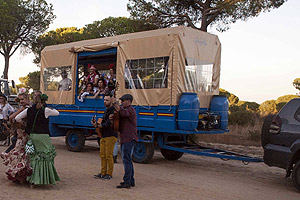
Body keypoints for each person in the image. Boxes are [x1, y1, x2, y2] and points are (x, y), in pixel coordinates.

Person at [15, 93, 60, 186]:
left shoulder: (29, 110)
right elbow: (57, 113)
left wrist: (25, 124)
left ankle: (33, 179)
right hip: (43, 136)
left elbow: (17, 118)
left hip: (32, 136)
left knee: (34, 158)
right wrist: (48, 107)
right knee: (45, 157)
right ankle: (45, 179)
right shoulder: (46, 110)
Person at [0, 93, 32, 183]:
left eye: (22, 99)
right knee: (21, 155)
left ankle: (19, 175)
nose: (21, 101)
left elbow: (12, 117)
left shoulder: (26, 109)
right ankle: (20, 176)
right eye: (20, 100)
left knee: (20, 154)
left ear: (27, 99)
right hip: (20, 134)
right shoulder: (24, 108)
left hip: (24, 135)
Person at [114, 94, 138, 189]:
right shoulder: (128, 110)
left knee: (126, 160)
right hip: (127, 138)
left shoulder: (130, 110)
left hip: (129, 138)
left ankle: (127, 181)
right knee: (128, 160)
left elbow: (123, 113)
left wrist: (116, 106)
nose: (122, 102)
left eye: (123, 101)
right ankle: (130, 180)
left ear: (128, 101)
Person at [91, 94, 118, 180]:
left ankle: (109, 173)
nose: (105, 101)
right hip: (104, 135)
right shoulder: (107, 111)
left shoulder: (113, 111)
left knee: (108, 155)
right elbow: (104, 123)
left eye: (107, 100)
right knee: (103, 155)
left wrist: (98, 126)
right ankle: (103, 172)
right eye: (104, 100)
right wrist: (97, 124)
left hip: (110, 135)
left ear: (111, 101)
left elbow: (108, 124)